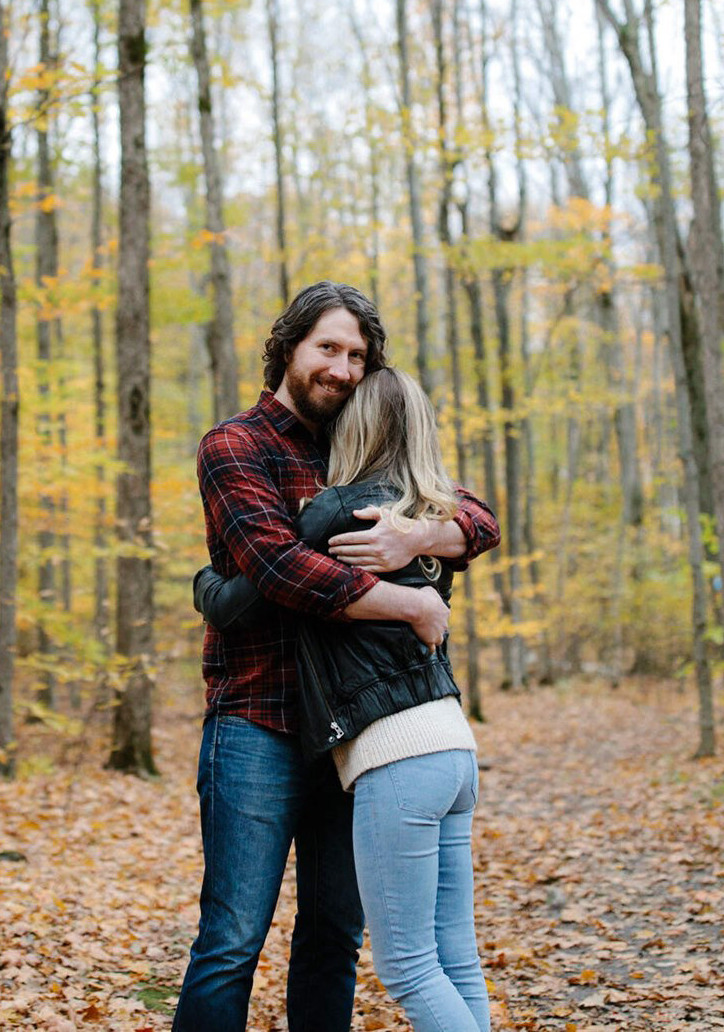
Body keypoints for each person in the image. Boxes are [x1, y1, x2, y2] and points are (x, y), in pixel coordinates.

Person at [174, 282, 499, 1032]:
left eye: (357, 355)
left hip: (356, 732)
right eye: (328, 348)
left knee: (333, 936)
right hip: (258, 719)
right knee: (231, 940)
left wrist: (419, 536)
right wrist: (412, 601)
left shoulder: (362, 444)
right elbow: (279, 568)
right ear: (288, 348)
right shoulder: (235, 445)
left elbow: (478, 518)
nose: (343, 369)